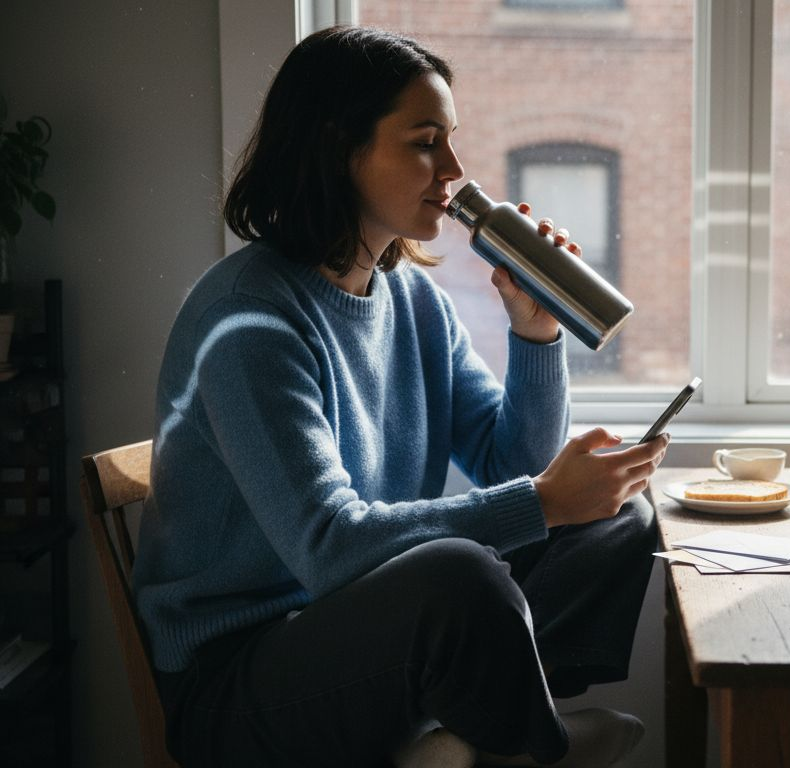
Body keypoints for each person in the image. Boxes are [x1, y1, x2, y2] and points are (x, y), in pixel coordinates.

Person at [132, 25, 667, 767]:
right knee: (462, 576)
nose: (453, 168)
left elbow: (513, 461)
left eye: (450, 140)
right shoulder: (248, 320)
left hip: (359, 635)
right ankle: (534, 750)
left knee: (616, 517)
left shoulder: (413, 300)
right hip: (239, 682)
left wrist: (535, 333)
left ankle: (487, 733)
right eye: (424, 142)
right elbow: (328, 546)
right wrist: (543, 501)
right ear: (337, 146)